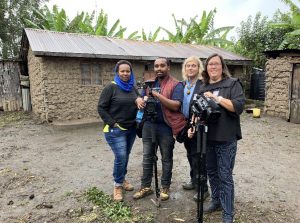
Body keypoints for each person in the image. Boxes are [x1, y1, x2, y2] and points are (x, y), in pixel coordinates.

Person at [189, 53, 245, 223]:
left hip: (226, 138)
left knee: (225, 176)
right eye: (210, 64)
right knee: (212, 173)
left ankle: (228, 214)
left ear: (222, 67)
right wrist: (193, 124)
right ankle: (216, 201)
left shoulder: (232, 84)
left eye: (216, 64)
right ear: (206, 68)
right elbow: (195, 110)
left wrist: (217, 98)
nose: (213, 67)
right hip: (207, 138)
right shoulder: (202, 87)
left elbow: (238, 107)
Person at [133, 57, 186, 201]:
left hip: (166, 127)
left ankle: (165, 187)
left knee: (166, 158)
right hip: (149, 125)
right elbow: (142, 96)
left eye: (162, 65)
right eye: (156, 66)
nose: (159, 68)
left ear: (168, 67)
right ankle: (146, 186)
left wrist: (157, 95)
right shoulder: (150, 83)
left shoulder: (176, 85)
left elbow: (176, 105)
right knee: (147, 157)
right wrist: (139, 99)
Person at [97, 60, 144, 202]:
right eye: (122, 71)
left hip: (130, 129)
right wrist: (113, 123)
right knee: (121, 156)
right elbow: (101, 107)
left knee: (125, 155)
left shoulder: (132, 88)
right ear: (117, 72)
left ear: (131, 73)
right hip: (115, 130)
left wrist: (139, 100)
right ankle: (117, 185)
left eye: (127, 71)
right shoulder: (111, 87)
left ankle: (122, 179)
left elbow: (138, 100)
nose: (125, 73)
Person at [181, 56, 210, 201]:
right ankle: (194, 181)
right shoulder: (183, 85)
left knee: (199, 157)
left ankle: (203, 189)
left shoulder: (203, 85)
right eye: (188, 66)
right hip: (185, 125)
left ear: (199, 68)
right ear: (184, 69)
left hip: (198, 125)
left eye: (194, 66)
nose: (190, 68)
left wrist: (194, 124)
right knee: (190, 154)